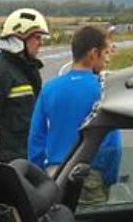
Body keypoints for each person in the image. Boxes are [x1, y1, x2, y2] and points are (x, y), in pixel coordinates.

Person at [28, 25, 122, 205]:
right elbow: (113, 145)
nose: (107, 60)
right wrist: (109, 178)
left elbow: (36, 137)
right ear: (93, 53)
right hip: (90, 174)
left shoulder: (49, 88)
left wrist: (40, 176)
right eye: (106, 54)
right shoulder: (104, 91)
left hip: (54, 174)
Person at [0, 8, 49, 163]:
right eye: (36, 37)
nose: (40, 43)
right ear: (18, 39)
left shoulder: (28, 71)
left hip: (29, 156)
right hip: (8, 161)